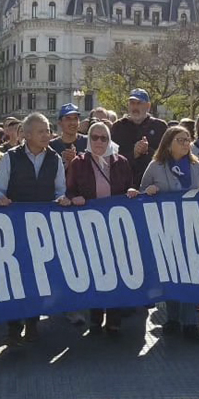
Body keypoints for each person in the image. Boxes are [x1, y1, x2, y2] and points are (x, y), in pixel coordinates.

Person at [0, 112, 70, 345]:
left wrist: (62, 199)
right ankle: (13, 326)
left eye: (48, 130)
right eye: (41, 131)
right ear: (26, 134)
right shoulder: (10, 158)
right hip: (14, 229)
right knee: (15, 277)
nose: (47, 135)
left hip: (42, 229)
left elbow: (60, 190)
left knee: (37, 276)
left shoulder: (54, 159)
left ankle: (32, 323)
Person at [66, 121, 138, 335]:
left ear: (109, 140)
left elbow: (128, 187)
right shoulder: (78, 163)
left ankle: (114, 318)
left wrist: (133, 192)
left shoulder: (121, 162)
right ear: (89, 139)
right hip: (90, 228)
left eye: (103, 138)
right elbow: (68, 191)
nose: (99, 141)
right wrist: (74, 198)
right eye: (94, 137)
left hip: (116, 228)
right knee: (96, 271)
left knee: (115, 271)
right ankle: (96, 316)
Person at [140, 125, 199, 342]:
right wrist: (148, 192)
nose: (185, 143)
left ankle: (190, 323)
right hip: (166, 229)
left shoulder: (196, 166)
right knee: (171, 274)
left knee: (190, 276)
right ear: (168, 143)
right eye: (180, 140)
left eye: (187, 139)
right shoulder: (156, 166)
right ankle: (172, 318)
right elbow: (142, 193)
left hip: (191, 228)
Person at [112, 88, 168, 185]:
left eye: (139, 103)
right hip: (125, 183)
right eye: (132, 103)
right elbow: (112, 158)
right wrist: (133, 154)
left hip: (154, 183)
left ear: (148, 106)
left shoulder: (160, 127)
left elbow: (167, 156)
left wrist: (147, 151)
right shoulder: (118, 127)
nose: (135, 107)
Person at [49, 103, 88, 169]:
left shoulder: (88, 142)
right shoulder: (51, 146)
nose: (72, 122)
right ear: (60, 123)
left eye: (75, 118)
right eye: (68, 119)